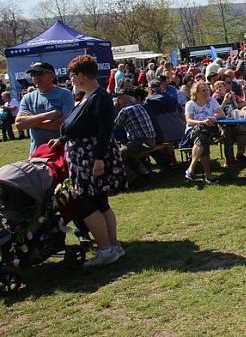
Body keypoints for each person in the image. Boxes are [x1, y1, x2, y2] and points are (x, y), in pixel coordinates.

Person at [49, 55, 127, 268]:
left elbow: (104, 130)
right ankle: (113, 247)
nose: (70, 79)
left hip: (90, 158)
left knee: (86, 205)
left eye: (72, 75)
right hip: (84, 157)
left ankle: (105, 250)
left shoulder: (98, 97)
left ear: (81, 76)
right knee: (100, 203)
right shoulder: (87, 96)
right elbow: (80, 126)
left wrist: (99, 159)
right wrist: (62, 139)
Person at [15, 61, 75, 155]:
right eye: (33, 74)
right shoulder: (28, 98)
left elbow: (65, 125)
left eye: (40, 73)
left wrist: (32, 122)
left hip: (60, 153)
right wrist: (49, 115)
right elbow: (19, 123)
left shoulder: (65, 95)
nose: (36, 77)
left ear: (52, 75)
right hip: (36, 154)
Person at [183, 82, 225, 184]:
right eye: (203, 90)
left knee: (203, 135)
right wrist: (202, 122)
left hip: (209, 128)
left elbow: (221, 114)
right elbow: (189, 120)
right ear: (196, 92)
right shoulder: (190, 104)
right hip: (193, 130)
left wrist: (213, 118)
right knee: (202, 134)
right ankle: (208, 175)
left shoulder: (211, 101)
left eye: (207, 90)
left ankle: (191, 168)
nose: (206, 92)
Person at [114, 88, 157, 186]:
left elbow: (115, 127)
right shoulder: (139, 106)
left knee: (116, 156)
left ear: (124, 98)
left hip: (141, 142)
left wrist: (115, 108)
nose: (117, 100)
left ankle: (133, 180)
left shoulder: (125, 110)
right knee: (130, 154)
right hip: (151, 141)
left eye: (118, 98)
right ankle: (145, 174)